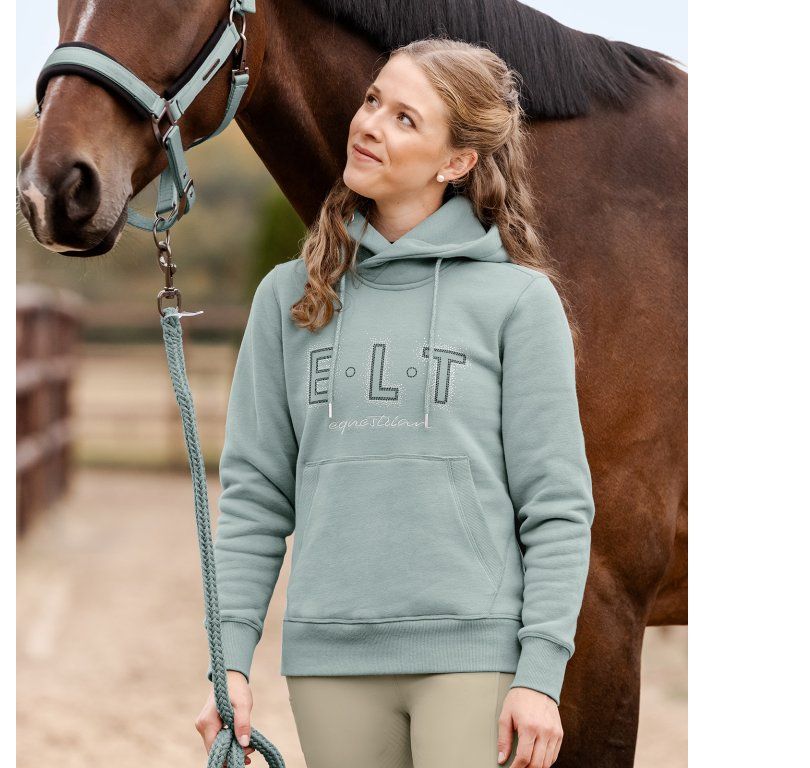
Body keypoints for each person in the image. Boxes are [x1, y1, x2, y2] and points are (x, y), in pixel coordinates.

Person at [195, 37, 595, 768]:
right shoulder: (288, 296)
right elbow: (254, 496)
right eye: (373, 100)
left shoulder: (519, 302)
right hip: (327, 660)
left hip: (474, 655)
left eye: (405, 118)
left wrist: (540, 674)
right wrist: (229, 663)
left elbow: (558, 505)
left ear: (457, 162)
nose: (370, 125)